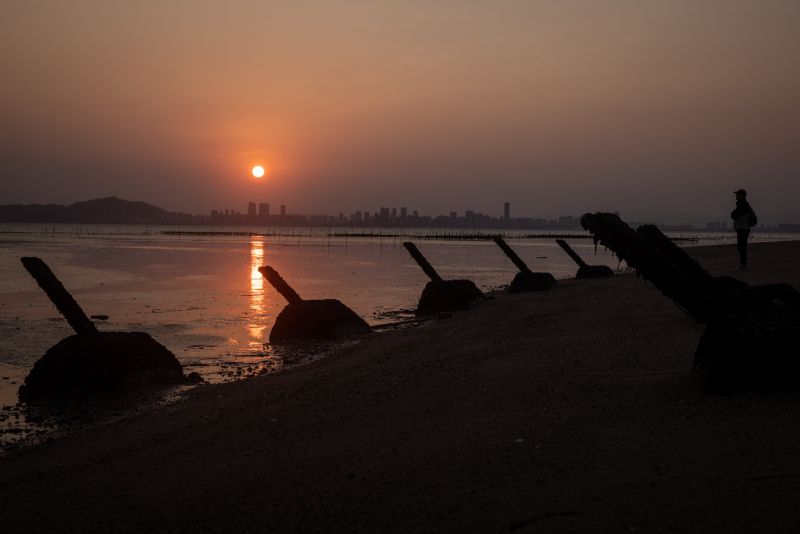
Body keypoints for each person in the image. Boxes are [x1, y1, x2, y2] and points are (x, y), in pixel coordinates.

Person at [730, 189, 757, 270]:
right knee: (742, 247)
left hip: (743, 228)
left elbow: (733, 215)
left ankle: (743, 265)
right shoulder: (744, 205)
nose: (736, 196)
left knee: (742, 247)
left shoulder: (743, 205)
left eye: (737, 194)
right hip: (744, 228)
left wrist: (734, 214)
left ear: (742, 195)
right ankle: (743, 265)